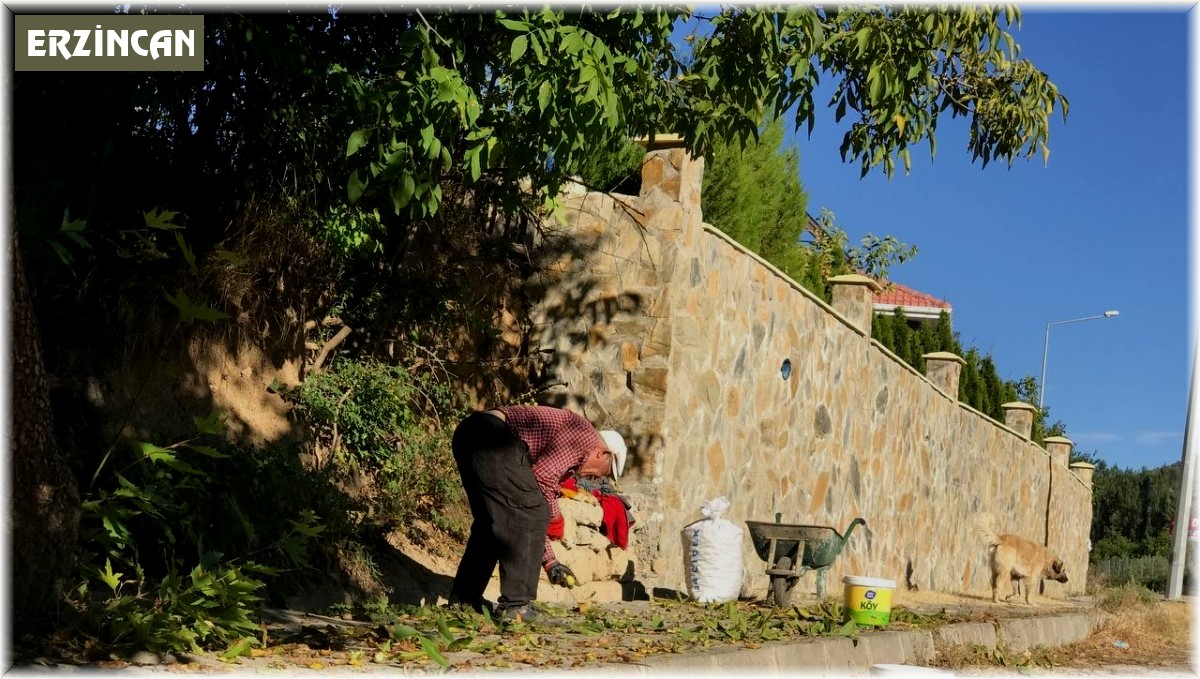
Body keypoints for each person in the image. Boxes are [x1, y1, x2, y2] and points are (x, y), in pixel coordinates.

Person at [448, 404, 626, 622]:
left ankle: (464, 600)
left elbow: (521, 509)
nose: (597, 480)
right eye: (604, 473)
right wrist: (554, 516)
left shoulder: (576, 445)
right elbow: (541, 483)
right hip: (491, 436)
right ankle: (516, 607)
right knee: (534, 511)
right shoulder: (584, 438)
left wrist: (550, 562)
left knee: (491, 523)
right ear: (603, 453)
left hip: (470, 433)